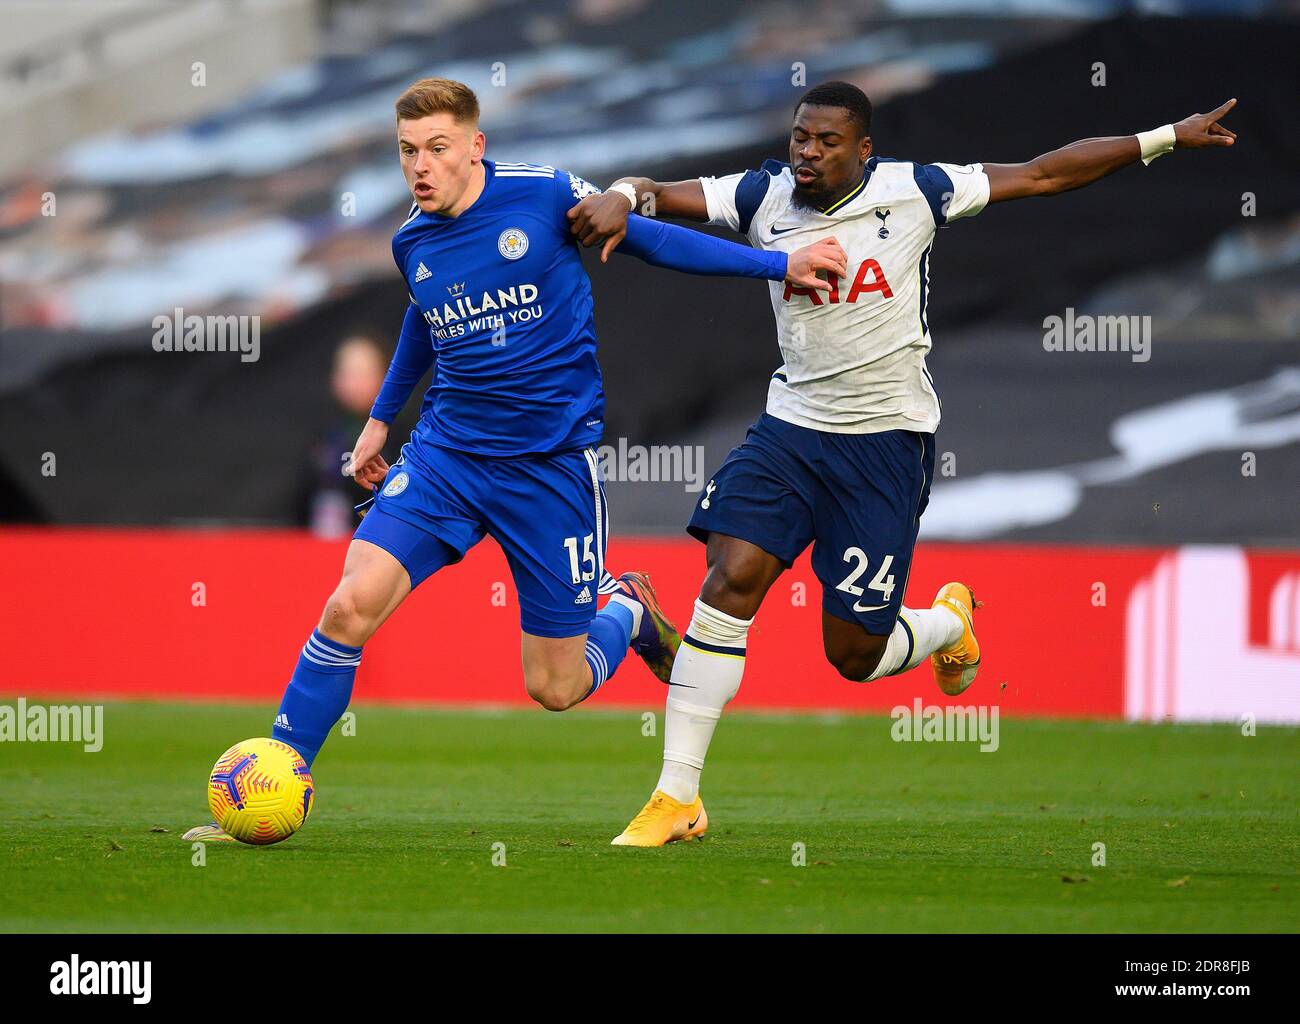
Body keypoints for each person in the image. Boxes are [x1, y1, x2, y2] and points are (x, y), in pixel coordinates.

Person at [567, 80, 1238, 846]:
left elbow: (1046, 173)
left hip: (885, 445)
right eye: (799, 138)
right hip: (791, 431)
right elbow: (649, 194)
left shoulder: (918, 190)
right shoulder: (761, 196)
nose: (807, 153)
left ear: (864, 149)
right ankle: (677, 796)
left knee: (853, 655)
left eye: (825, 142)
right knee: (730, 579)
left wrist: (1166, 136)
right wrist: (622, 192)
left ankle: (947, 621)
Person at [185, 77, 846, 841]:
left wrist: (778, 265)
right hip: (447, 458)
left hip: (547, 472)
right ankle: (278, 780)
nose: (420, 167)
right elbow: (424, 323)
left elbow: (655, 240)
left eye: (437, 149)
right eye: (407, 152)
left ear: (476, 147)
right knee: (348, 603)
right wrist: (378, 421)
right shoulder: (412, 241)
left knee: (556, 688)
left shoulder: (546, 198)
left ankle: (626, 607)